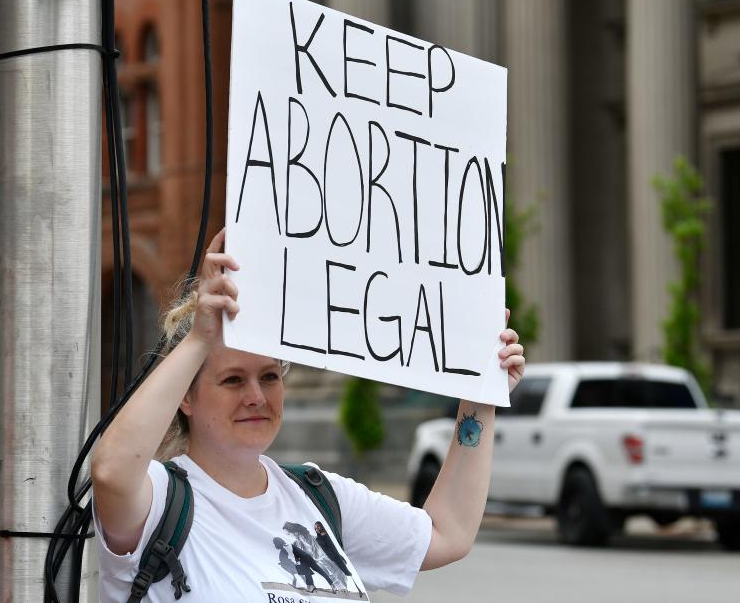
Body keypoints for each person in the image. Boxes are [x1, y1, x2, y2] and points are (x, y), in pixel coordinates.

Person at [91, 229, 526, 601]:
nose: (256, 396)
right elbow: (110, 471)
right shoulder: (163, 499)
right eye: (232, 380)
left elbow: (447, 533)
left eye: (269, 376)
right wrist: (200, 339)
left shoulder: (317, 494)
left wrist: (479, 397)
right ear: (185, 397)